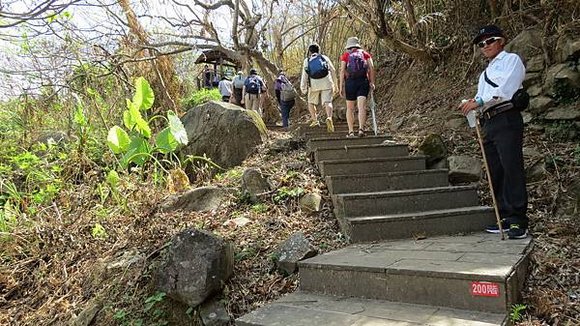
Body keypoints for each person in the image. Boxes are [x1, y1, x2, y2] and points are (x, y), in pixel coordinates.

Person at [458, 25, 528, 239]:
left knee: (511, 166)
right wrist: (472, 104)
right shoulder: (484, 74)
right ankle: (504, 216)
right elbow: (482, 97)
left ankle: (518, 219)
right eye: (481, 44)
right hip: (489, 122)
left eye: (490, 41)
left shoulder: (511, 60)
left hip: (507, 117)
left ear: (501, 41)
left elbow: (507, 88)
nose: (485, 46)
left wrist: (478, 101)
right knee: (495, 170)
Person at [339, 37, 376, 137]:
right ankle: (361, 130)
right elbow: (371, 68)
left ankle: (351, 131)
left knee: (350, 108)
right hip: (363, 81)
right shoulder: (365, 54)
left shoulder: (346, 55)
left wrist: (341, 86)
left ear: (348, 46)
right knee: (361, 107)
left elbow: (342, 71)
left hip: (350, 83)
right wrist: (372, 82)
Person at [300, 43, 338, 132]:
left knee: (311, 102)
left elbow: (304, 75)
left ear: (310, 51)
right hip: (327, 82)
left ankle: (315, 120)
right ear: (318, 50)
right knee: (328, 101)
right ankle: (329, 117)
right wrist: (335, 84)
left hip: (314, 84)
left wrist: (303, 88)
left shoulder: (307, 60)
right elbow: (333, 70)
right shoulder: (324, 58)